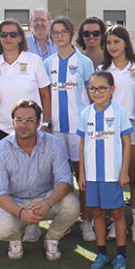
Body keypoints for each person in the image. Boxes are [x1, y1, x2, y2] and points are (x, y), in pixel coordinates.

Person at [0, 100, 80, 261]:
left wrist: (48, 203)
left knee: (72, 205)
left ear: (38, 122)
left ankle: (52, 238)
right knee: (1, 229)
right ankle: (15, 239)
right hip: (15, 202)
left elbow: (65, 180)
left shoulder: (53, 143)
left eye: (29, 120)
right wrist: (21, 212)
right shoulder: (0, 149)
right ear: (13, 122)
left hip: (44, 198)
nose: (23, 125)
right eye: (19, 120)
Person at [43, 17, 96, 241]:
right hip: (55, 129)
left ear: (72, 33)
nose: (59, 36)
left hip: (78, 129)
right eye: (55, 33)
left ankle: (86, 221)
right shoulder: (47, 63)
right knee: (60, 178)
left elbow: (92, 95)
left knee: (81, 174)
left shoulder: (84, 62)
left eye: (63, 32)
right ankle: (65, 220)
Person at [78, 71, 134, 269]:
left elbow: (127, 144)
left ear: (112, 89)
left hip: (113, 175)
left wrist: (124, 172)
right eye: (93, 88)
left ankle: (121, 255)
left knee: (117, 213)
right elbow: (83, 145)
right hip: (92, 175)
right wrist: (82, 174)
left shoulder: (119, 112)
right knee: (98, 213)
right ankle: (101, 253)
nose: (97, 92)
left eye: (102, 88)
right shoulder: (86, 114)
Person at [101, 25, 135, 243]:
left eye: (116, 42)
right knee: (114, 179)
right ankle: (116, 221)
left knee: (134, 179)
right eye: (109, 43)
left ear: (125, 43)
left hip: (134, 125)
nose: (112, 46)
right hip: (110, 127)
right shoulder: (103, 68)